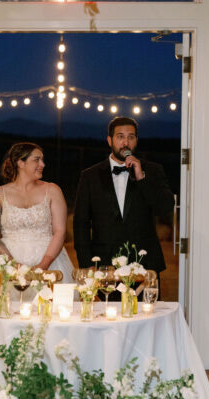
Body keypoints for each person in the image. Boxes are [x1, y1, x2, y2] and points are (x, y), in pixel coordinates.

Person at [73, 116, 174, 296]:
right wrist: (87, 263)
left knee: (145, 320)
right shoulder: (90, 176)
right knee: (104, 319)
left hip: (145, 265)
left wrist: (141, 177)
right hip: (103, 265)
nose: (125, 142)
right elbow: (80, 223)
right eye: (120, 136)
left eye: (131, 137)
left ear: (136, 140)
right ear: (109, 140)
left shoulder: (153, 171)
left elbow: (164, 208)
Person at [0, 142, 74, 300]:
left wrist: (42, 267)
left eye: (42, 160)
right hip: (7, 261)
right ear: (20, 163)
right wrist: (14, 267)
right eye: (37, 160)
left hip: (49, 260)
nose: (42, 164)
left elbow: (60, 231)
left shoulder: (53, 190)